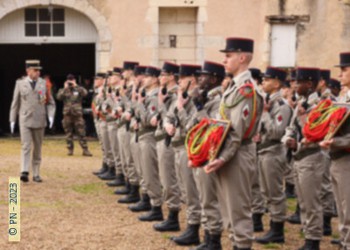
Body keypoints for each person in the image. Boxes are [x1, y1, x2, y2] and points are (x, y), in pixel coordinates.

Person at [205, 37, 264, 250]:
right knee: (229, 213)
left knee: (238, 214)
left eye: (228, 56)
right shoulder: (234, 87)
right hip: (230, 154)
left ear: (242, 57)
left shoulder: (245, 90)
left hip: (237, 154)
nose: (223, 60)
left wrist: (221, 158)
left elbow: (236, 133)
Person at [282, 67, 324, 250]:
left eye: (298, 82)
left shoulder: (320, 105)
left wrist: (301, 118)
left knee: (312, 202)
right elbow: (291, 127)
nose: (294, 86)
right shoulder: (302, 102)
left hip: (311, 157)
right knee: (304, 202)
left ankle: (313, 240)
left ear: (309, 84)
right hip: (299, 156)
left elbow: (317, 134)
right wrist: (288, 138)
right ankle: (308, 236)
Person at [187, 61, 226, 250]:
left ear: (215, 79)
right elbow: (191, 126)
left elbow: (212, 128)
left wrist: (200, 107)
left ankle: (214, 239)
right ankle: (207, 236)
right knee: (203, 197)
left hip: (210, 153)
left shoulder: (219, 100)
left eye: (204, 76)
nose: (199, 79)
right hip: (200, 152)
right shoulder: (206, 97)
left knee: (210, 199)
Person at [164, 64, 202, 246]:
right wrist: (167, 124)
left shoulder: (197, 99)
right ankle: (189, 226)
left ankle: (194, 228)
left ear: (192, 80)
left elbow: (191, 128)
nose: (179, 81)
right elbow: (169, 116)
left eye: (183, 78)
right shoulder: (181, 97)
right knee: (184, 189)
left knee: (192, 192)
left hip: (191, 148)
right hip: (178, 147)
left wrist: (180, 108)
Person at [255, 67, 292, 244]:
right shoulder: (268, 102)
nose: (263, 82)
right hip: (263, 151)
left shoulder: (282, 106)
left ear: (277, 83)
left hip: (274, 152)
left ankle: (277, 230)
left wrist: (264, 115)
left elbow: (277, 132)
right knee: (266, 191)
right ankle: (273, 227)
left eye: (267, 79)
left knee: (275, 192)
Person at [319, 52, 350, 249]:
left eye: (344, 70)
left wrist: (334, 141)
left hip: (347, 158)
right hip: (337, 159)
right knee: (341, 210)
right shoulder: (343, 97)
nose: (340, 75)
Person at [9, 59, 56, 183]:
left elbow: (51, 102)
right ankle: (24, 171)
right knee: (26, 145)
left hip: (40, 118)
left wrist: (50, 116)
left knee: (38, 147)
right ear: (28, 71)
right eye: (35, 70)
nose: (38, 73)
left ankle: (36, 173)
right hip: (25, 118)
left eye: (39, 70)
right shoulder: (20, 83)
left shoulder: (43, 83)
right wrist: (12, 119)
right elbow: (15, 103)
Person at [152, 62, 182, 231]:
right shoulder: (165, 93)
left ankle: (173, 216)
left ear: (171, 76)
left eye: (163, 75)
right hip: (162, 138)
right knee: (165, 178)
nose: (159, 78)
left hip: (169, 140)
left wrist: (162, 104)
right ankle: (170, 214)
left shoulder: (175, 94)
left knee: (169, 179)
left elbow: (171, 117)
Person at [56, 74, 92, 156]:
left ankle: (85, 149)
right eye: (69, 80)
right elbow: (58, 97)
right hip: (67, 114)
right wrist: (65, 88)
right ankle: (70, 149)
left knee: (81, 132)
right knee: (68, 133)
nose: (70, 82)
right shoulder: (64, 90)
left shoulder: (79, 89)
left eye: (72, 80)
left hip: (77, 115)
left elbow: (85, 94)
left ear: (74, 80)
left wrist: (76, 86)